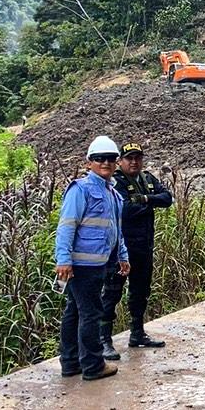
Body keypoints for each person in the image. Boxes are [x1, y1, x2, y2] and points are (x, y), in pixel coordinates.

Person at [56, 136, 128, 381]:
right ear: (89, 162)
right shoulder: (81, 189)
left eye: (110, 158)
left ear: (116, 162)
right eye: (99, 159)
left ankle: (70, 363)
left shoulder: (113, 194)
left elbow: (115, 229)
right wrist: (63, 260)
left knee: (75, 311)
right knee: (91, 313)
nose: (105, 163)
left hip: (99, 262)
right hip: (82, 265)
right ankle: (93, 365)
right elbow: (67, 226)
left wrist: (122, 255)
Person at [100, 142, 173, 360]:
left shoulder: (147, 179)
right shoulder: (116, 181)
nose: (134, 162)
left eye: (137, 158)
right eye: (129, 158)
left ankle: (137, 333)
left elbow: (167, 198)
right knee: (112, 294)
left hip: (144, 246)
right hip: (121, 249)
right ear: (120, 161)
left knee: (140, 292)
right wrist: (149, 203)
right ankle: (103, 340)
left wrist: (144, 199)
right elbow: (125, 210)